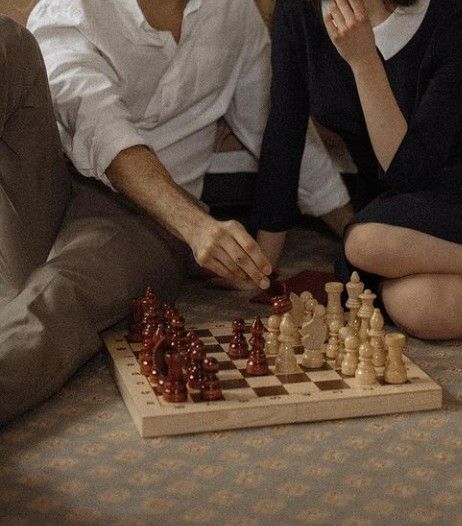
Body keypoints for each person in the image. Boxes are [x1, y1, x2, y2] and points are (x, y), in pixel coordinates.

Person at [0, 0, 351, 423]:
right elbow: (98, 123)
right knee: (7, 41)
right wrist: (199, 226)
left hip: (147, 224)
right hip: (42, 193)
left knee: (62, 290)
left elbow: (274, 126)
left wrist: (355, 228)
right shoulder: (72, 9)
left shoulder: (234, 13)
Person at [252, 0, 462, 340]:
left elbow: (409, 172)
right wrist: (261, 266)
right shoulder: (299, 10)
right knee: (416, 306)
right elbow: (284, 133)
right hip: (400, 204)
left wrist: (364, 60)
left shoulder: (452, 17)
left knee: (364, 243)